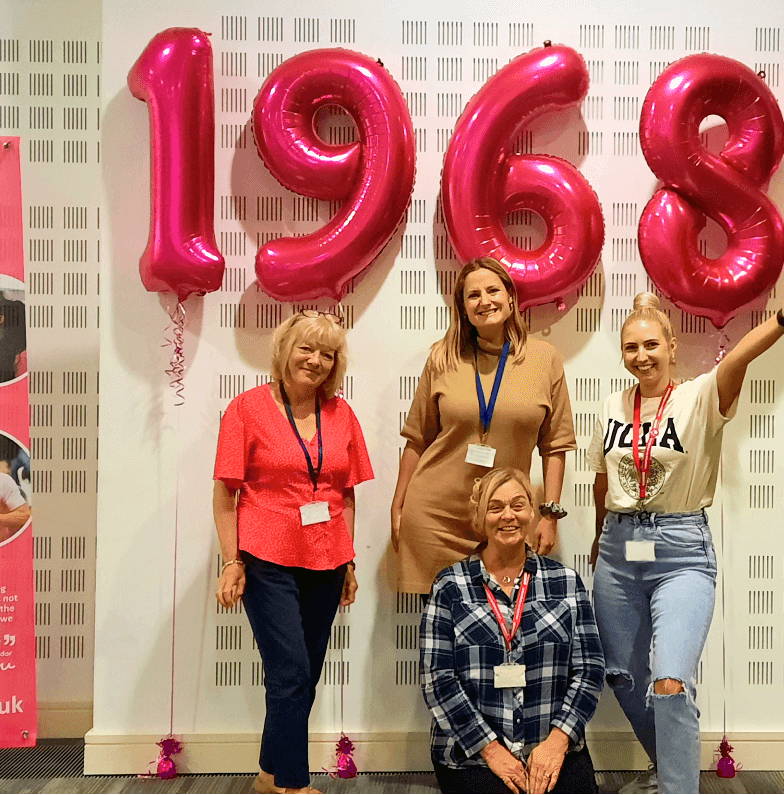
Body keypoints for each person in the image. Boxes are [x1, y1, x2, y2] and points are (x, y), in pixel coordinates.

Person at [593, 270, 784, 795]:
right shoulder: (612, 405)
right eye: (631, 347)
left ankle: (677, 789)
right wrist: (598, 541)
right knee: (622, 676)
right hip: (617, 551)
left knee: (670, 681)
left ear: (672, 346)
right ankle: (669, 769)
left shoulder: (701, 395)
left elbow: (739, 358)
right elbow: (602, 480)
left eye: (651, 345)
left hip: (680, 550)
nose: (642, 356)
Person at [214, 311, 372, 795]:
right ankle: (292, 784)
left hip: (326, 560)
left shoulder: (341, 413)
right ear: (285, 350)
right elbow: (226, 495)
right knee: (291, 674)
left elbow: (345, 494)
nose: (317, 361)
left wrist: (348, 560)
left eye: (328, 354)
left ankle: (266, 772)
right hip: (267, 556)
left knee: (304, 675)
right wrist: (231, 561)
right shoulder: (247, 409)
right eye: (307, 348)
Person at [393, 258, 577, 594]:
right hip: (437, 519)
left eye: (492, 290)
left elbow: (555, 446)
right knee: (443, 638)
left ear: (510, 298)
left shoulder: (545, 360)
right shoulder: (442, 357)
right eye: (473, 295)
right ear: (463, 308)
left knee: (504, 633)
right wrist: (399, 504)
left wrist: (549, 514)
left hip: (504, 521)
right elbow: (417, 439)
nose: (484, 301)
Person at [420, 468, 603, 795]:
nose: (508, 515)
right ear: (479, 516)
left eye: (518, 505)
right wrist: (490, 750)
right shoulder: (450, 586)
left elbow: (590, 669)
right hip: (472, 754)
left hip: (551, 745)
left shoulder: (565, 582)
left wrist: (556, 743)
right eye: (495, 507)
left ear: (533, 513)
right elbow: (438, 678)